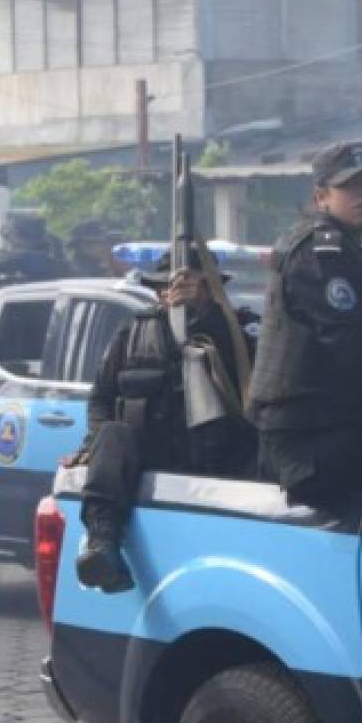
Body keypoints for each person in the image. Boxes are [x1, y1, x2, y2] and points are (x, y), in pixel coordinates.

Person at [75, 253, 256, 593]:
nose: (176, 292)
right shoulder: (133, 331)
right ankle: (102, 545)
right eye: (168, 286)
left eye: (195, 285)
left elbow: (253, 377)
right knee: (112, 435)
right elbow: (101, 399)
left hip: (220, 463)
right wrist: (96, 446)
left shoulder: (237, 328)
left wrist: (208, 318)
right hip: (152, 453)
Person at [248, 142, 362, 512]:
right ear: (322, 196)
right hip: (308, 434)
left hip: (330, 422)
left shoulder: (354, 248)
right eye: (352, 187)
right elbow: (349, 344)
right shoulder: (320, 251)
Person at [0, 213, 68, 303]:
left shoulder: (47, 261)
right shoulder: (10, 262)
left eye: (9, 237)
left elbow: (27, 259)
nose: (9, 242)